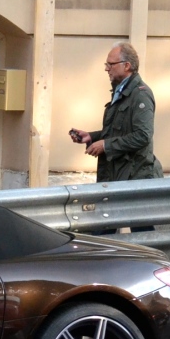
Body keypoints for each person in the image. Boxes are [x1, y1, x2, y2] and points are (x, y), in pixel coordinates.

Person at [68, 41, 161, 232]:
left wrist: (106, 146)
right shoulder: (121, 91)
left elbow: (143, 136)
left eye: (110, 64)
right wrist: (91, 137)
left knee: (140, 233)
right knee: (105, 227)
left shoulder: (140, 95)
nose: (106, 69)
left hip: (135, 177)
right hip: (115, 175)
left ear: (126, 66)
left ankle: (149, 262)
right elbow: (117, 131)